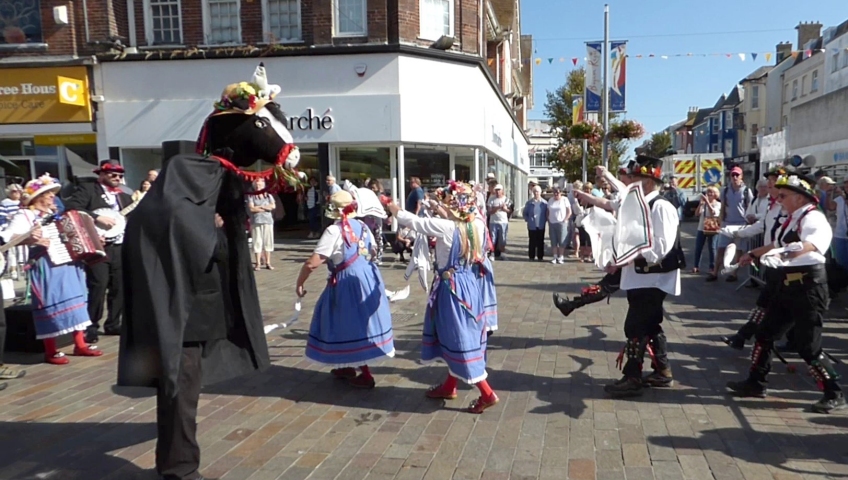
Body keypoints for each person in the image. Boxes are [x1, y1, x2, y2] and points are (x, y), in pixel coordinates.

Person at [118, 64, 299, 480]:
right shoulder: (186, 184)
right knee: (178, 389)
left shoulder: (211, 180)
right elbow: (183, 237)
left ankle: (177, 462)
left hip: (198, 307)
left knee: (184, 389)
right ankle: (179, 469)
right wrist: (214, 234)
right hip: (181, 309)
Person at [727, 173, 845, 414]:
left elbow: (811, 245)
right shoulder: (792, 218)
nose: (778, 199)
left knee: (807, 346)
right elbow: (776, 243)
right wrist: (754, 254)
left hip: (808, 287)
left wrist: (782, 255)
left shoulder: (813, 218)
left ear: (800, 198)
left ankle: (834, 392)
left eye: (783, 195)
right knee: (764, 334)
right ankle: (756, 383)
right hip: (787, 286)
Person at [388, 182, 499, 414]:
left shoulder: (447, 228)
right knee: (456, 335)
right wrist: (442, 209)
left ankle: (487, 393)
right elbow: (457, 221)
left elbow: (415, 222)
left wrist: (391, 206)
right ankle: (450, 386)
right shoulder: (477, 224)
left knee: (459, 337)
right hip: (470, 285)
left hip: (453, 288)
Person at [295, 190, 395, 388]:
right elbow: (373, 252)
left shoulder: (334, 231)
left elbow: (313, 263)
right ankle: (345, 365)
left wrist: (300, 282)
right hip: (368, 277)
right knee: (353, 322)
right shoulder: (364, 226)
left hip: (347, 282)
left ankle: (365, 373)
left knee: (346, 322)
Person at [1, 175, 103, 365]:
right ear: (35, 197)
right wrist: (29, 238)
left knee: (78, 299)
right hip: (45, 264)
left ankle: (80, 344)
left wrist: (93, 238)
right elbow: (6, 236)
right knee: (51, 303)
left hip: (69, 263)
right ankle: (50, 350)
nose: (51, 197)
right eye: (47, 194)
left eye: (51, 194)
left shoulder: (59, 214)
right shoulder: (24, 215)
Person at [604, 156, 682, 397]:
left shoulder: (661, 206)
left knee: (635, 326)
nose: (630, 183)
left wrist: (627, 258)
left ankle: (633, 376)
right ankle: (662, 371)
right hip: (641, 277)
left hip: (653, 279)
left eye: (635, 179)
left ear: (648, 182)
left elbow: (660, 249)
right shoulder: (641, 205)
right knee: (650, 324)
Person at [62, 160, 134, 344]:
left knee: (119, 287)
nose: (117, 178)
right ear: (101, 174)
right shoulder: (88, 190)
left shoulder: (124, 197)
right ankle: (91, 326)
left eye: (119, 175)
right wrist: (96, 218)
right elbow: (72, 208)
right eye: (113, 174)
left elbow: (133, 218)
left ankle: (113, 324)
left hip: (119, 246)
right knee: (98, 285)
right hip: (97, 247)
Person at [719, 166, 789, 350]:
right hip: (774, 264)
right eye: (770, 183)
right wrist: (735, 232)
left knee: (779, 307)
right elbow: (760, 226)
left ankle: (747, 337)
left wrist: (753, 253)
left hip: (787, 266)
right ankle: (743, 337)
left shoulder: (790, 210)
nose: (770, 187)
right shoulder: (773, 208)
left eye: (774, 184)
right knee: (765, 303)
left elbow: (784, 242)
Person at [710, 165, 753, 282]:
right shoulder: (725, 190)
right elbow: (723, 206)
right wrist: (720, 220)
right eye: (732, 175)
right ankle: (714, 272)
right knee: (720, 249)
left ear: (741, 176)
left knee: (738, 250)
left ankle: (734, 273)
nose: (734, 177)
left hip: (741, 223)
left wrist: (749, 222)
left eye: (737, 175)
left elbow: (750, 207)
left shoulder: (746, 191)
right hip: (727, 223)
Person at [247, 178, 277, 271]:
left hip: (268, 221)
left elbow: (273, 206)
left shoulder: (268, 196)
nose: (258, 187)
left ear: (263, 186)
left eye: (260, 185)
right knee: (257, 242)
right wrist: (265, 208)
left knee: (268, 242)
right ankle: (258, 263)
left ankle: (268, 262)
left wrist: (260, 207)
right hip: (256, 221)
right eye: (256, 185)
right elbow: (251, 209)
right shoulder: (251, 196)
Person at [691, 186, 721, 274]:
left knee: (712, 247)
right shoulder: (703, 204)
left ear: (715, 194)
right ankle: (696, 266)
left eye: (711, 192)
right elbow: (697, 214)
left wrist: (707, 202)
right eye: (708, 192)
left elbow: (713, 213)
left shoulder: (718, 204)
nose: (709, 194)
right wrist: (700, 204)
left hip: (712, 228)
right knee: (698, 247)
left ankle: (712, 267)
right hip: (701, 228)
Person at [522, 185, 548, 261]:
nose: (536, 193)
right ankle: (531, 256)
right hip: (532, 225)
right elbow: (525, 213)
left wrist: (545, 220)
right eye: (534, 192)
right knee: (532, 241)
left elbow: (547, 213)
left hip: (541, 224)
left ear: (540, 192)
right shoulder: (529, 203)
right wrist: (528, 220)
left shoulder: (544, 203)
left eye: (537, 191)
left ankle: (540, 256)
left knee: (540, 241)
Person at [547, 187, 572, 264]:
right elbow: (547, 211)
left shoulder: (564, 200)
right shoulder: (550, 200)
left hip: (562, 222)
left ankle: (561, 256)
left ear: (561, 192)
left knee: (562, 240)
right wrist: (548, 220)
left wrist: (565, 219)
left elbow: (569, 211)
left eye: (557, 192)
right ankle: (554, 256)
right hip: (552, 222)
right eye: (554, 192)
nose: (556, 194)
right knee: (553, 240)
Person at [487, 184, 511, 260]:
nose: (497, 192)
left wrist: (504, 209)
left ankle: (502, 253)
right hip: (493, 222)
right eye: (496, 190)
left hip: (503, 222)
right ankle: (492, 254)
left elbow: (509, 210)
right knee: (493, 238)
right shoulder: (491, 199)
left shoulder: (506, 199)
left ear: (502, 191)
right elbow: (490, 211)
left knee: (503, 238)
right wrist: (498, 207)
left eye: (499, 190)